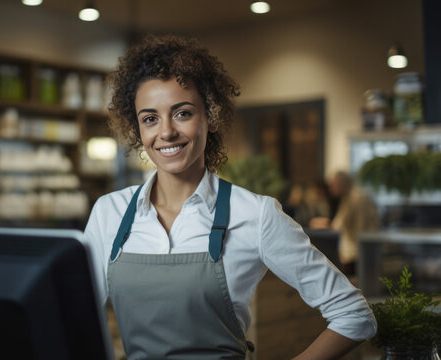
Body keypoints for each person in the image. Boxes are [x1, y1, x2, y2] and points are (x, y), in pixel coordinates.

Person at [83, 35, 376, 360]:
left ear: (210, 116)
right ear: (138, 130)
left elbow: (355, 316)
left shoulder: (255, 214)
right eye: (150, 119)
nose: (165, 132)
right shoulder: (109, 212)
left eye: (182, 113)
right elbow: (76, 319)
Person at [323, 171, 379, 275]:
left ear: (341, 183)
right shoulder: (354, 196)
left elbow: (338, 225)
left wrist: (324, 224)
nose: (331, 189)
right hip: (360, 250)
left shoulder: (354, 198)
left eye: (333, 185)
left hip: (356, 253)